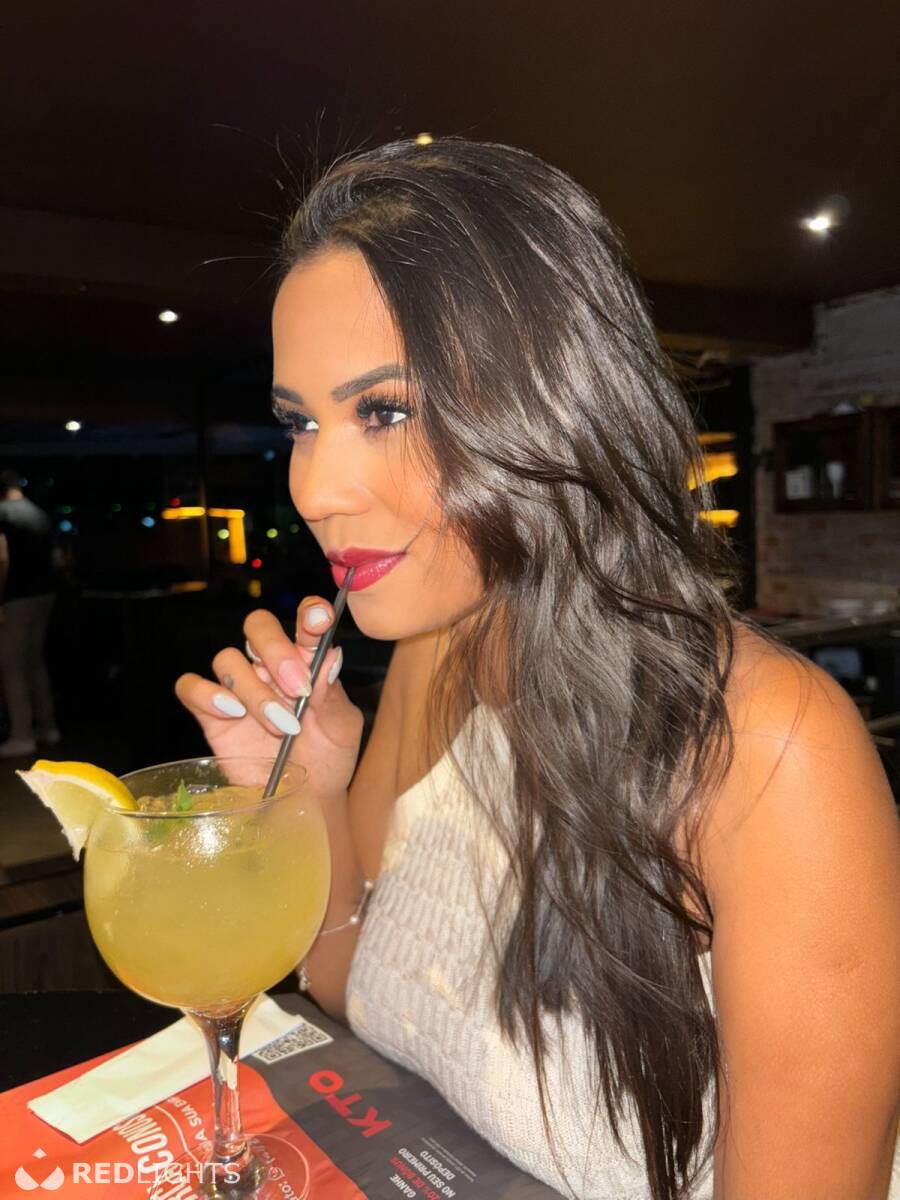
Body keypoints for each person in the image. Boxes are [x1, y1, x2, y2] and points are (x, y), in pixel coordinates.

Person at [176, 140, 900, 1200]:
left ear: (554, 402)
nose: (315, 487)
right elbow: (348, 981)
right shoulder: (435, 651)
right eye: (302, 423)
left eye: (384, 410)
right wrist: (316, 792)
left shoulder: (773, 752)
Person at [0, 468, 60, 757]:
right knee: (34, 662)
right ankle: (47, 727)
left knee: (11, 665)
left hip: (16, 596)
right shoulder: (38, 513)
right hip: (45, 594)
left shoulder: (4, 514)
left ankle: (22, 735)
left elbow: (1, 557)